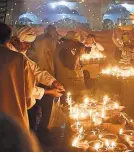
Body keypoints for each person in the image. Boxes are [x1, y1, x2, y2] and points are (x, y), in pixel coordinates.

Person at [6, 26, 64, 131]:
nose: (29, 46)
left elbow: (36, 70)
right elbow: (25, 88)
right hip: (12, 104)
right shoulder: (12, 57)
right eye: (26, 43)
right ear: (17, 40)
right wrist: (49, 92)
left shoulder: (20, 54)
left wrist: (53, 81)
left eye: (30, 43)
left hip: (24, 102)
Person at [0, 22, 35, 129]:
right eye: (26, 42)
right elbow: (28, 93)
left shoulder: (21, 58)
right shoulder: (19, 59)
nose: (29, 46)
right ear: (10, 39)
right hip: (12, 120)